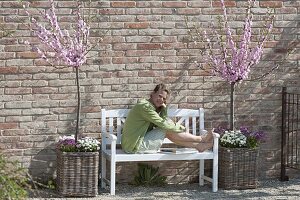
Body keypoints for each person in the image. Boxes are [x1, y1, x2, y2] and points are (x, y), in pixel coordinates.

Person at [121, 83, 213, 154]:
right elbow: (163, 124)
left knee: (167, 128)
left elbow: (163, 121)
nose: (161, 100)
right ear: (152, 94)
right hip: (133, 146)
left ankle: (198, 146)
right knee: (165, 128)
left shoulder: (150, 107)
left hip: (135, 143)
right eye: (159, 96)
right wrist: (179, 128)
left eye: (164, 99)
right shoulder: (145, 107)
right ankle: (200, 139)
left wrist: (164, 109)